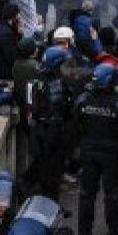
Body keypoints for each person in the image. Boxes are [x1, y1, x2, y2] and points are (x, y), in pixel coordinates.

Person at [73, 63, 118, 235]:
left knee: (86, 196)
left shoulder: (83, 101)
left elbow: (77, 124)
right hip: (112, 154)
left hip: (89, 151)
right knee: (113, 196)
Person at [25, 47, 73, 203]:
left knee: (44, 167)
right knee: (52, 171)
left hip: (37, 128)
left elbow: (30, 106)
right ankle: (51, 205)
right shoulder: (55, 84)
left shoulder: (34, 77)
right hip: (51, 131)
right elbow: (62, 108)